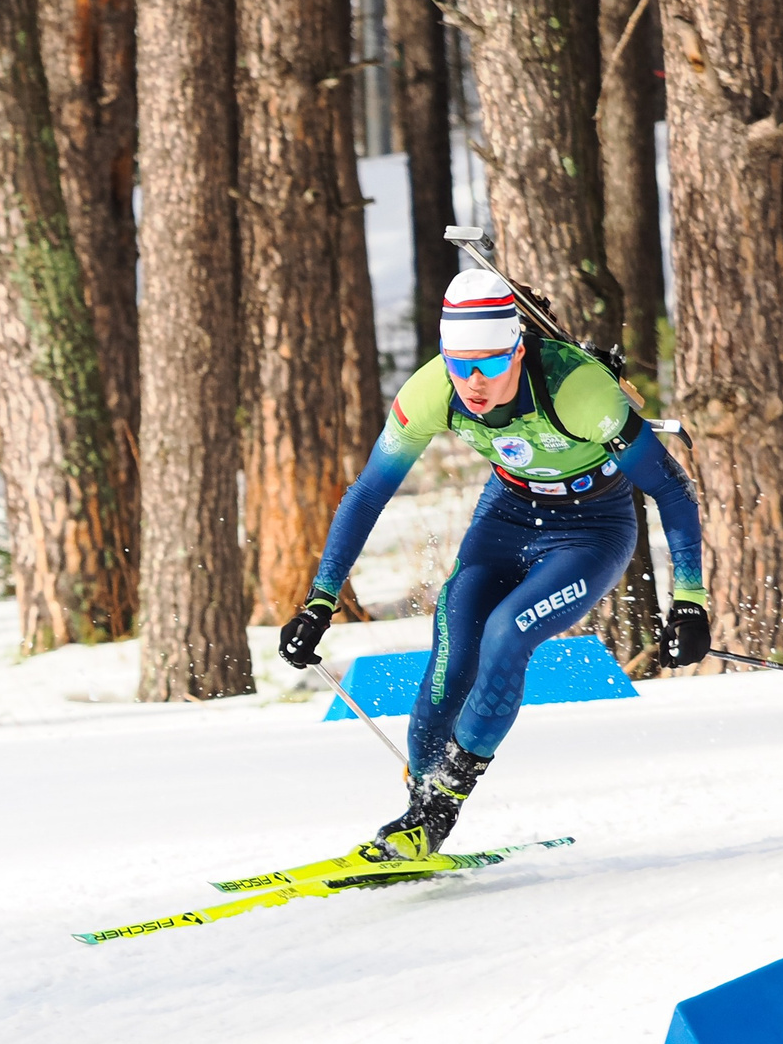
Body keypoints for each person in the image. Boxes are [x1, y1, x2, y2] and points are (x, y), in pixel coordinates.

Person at [277, 267, 709, 861]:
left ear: (518, 350)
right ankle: (419, 817)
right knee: (451, 656)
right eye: (460, 363)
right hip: (507, 512)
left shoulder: (578, 391)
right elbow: (368, 494)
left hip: (591, 529)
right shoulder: (432, 390)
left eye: (489, 363)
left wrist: (689, 600)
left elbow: (672, 490)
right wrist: (319, 602)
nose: (473, 382)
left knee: (507, 632)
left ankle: (441, 806)